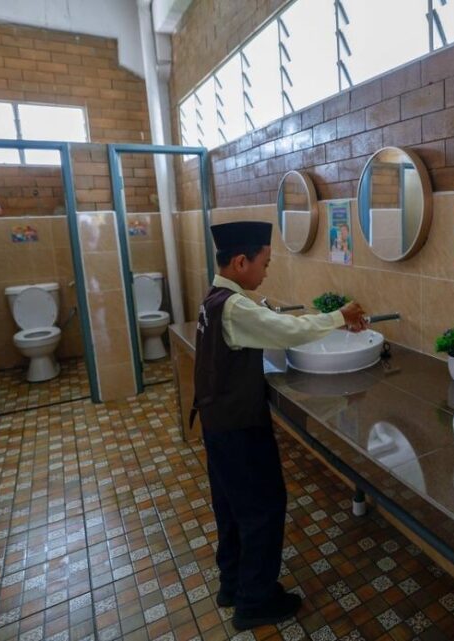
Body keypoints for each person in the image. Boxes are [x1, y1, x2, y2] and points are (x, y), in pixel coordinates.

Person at [193, 221, 367, 630]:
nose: (267, 272)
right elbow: (289, 332)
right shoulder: (235, 307)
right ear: (241, 262)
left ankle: (232, 584)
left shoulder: (216, 297)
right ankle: (255, 602)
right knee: (262, 508)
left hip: (218, 425)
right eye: (265, 263)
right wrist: (339, 316)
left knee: (231, 508)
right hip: (238, 428)